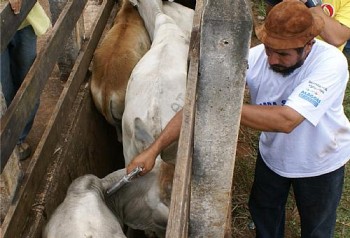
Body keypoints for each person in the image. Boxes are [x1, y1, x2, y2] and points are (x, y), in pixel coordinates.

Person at [127, 1, 350, 237]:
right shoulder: (255, 58)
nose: (272, 60)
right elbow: (196, 104)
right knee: (264, 211)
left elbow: (287, 120)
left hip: (320, 162)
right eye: (268, 49)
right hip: (273, 157)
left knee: (316, 226)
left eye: (283, 54)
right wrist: (153, 150)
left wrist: (220, 105)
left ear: (308, 45)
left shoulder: (331, 63)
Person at [0, 0, 51, 160]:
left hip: (23, 17)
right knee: (4, 90)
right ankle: (9, 142)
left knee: (28, 83)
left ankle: (18, 137)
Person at [264, 0, 350, 52]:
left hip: (320, 58)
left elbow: (337, 38)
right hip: (286, 51)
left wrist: (311, 3)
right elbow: (271, 23)